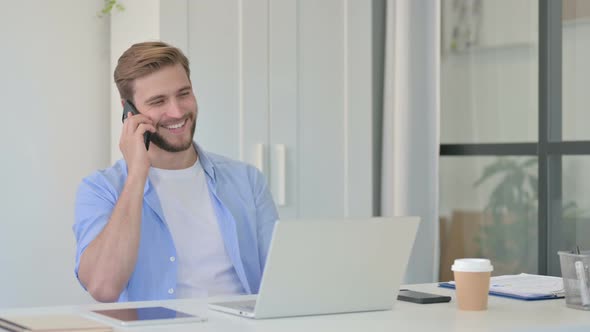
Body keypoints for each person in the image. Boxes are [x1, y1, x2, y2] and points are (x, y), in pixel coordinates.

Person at [73, 41, 278, 303]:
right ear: (129, 111)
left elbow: (280, 281)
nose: (177, 111)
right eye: (158, 101)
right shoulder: (101, 189)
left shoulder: (247, 180)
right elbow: (103, 288)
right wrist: (137, 173)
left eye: (184, 94)